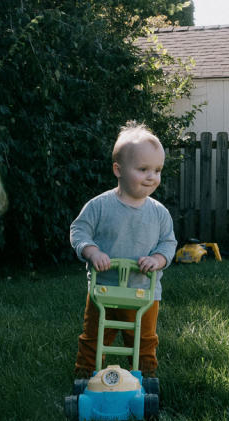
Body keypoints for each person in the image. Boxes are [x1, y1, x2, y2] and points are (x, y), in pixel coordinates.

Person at [70, 122, 177, 379]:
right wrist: (92, 251)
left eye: (157, 170)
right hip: (103, 290)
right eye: (143, 169)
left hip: (144, 293)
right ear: (118, 170)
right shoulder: (100, 206)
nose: (151, 176)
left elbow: (168, 243)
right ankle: (85, 375)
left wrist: (158, 259)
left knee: (144, 339)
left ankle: (146, 377)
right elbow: (79, 231)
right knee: (93, 337)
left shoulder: (159, 213)